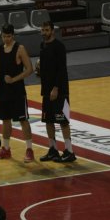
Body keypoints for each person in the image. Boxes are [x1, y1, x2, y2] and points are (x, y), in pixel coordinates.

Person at [35, 21, 76, 163]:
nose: (44, 32)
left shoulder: (59, 47)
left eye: (46, 30)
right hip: (46, 90)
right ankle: (53, 149)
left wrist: (56, 88)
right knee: (48, 120)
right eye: (42, 30)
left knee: (63, 121)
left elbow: (61, 70)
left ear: (52, 31)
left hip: (60, 91)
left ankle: (69, 151)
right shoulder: (42, 45)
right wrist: (39, 70)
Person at [0, 23, 34, 163]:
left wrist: (14, 80)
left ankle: (29, 150)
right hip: (3, 90)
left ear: (13, 35)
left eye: (9, 36)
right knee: (5, 120)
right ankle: (5, 149)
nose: (6, 39)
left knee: (23, 120)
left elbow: (29, 69)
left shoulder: (20, 48)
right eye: (4, 36)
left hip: (17, 91)